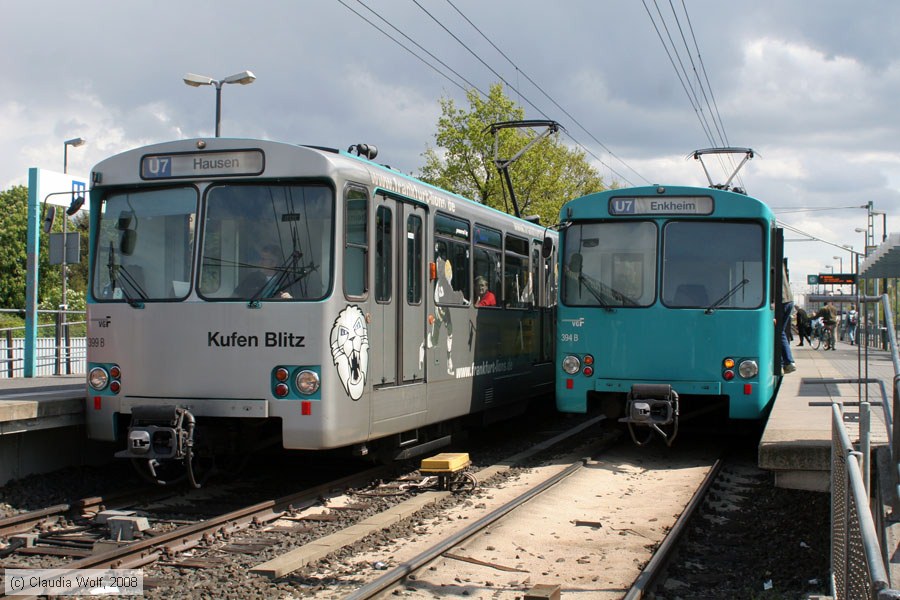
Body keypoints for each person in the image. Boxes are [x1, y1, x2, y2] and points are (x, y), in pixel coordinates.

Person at [780, 262, 796, 373]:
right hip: (787, 300)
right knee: (780, 332)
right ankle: (785, 361)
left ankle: (787, 361)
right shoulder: (780, 263)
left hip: (782, 300)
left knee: (778, 332)